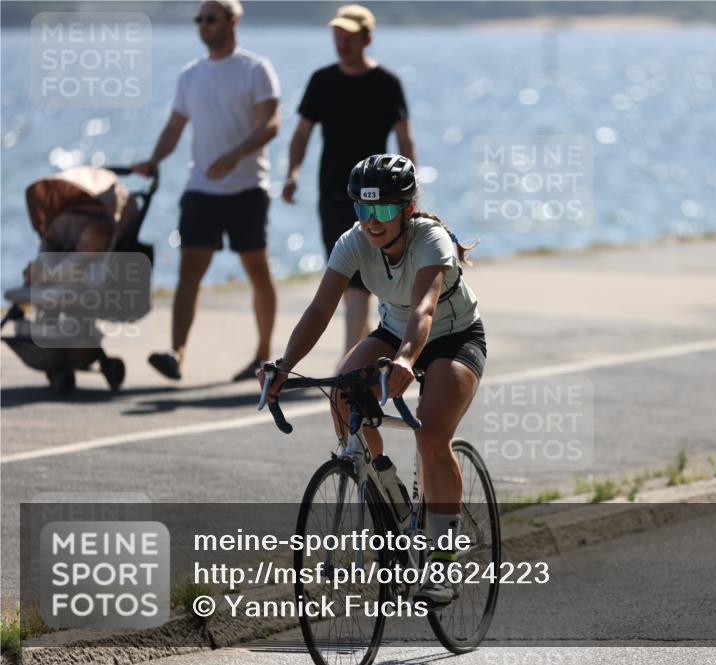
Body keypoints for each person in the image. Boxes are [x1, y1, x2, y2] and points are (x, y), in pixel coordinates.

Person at [263, 155, 483, 607]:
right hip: (392, 332)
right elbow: (320, 309)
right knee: (343, 394)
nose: (372, 221)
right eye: (363, 211)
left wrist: (406, 360)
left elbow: (423, 309)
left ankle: (441, 559)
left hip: (453, 337)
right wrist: (284, 365)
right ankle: (388, 492)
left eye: (383, 210)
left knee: (432, 433)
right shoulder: (353, 242)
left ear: (406, 209)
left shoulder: (431, 240)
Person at [134, 0, 280, 381]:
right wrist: (153, 160)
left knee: (257, 271)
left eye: (211, 18)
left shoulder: (255, 69)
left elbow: (271, 126)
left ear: (232, 22)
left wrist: (234, 156)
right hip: (201, 189)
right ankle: (176, 353)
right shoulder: (191, 75)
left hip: (247, 188)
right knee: (189, 271)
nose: (203, 25)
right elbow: (174, 127)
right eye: (199, 19)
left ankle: (263, 356)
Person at [282, 4, 415, 358]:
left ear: (367, 39)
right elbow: (302, 134)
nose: (342, 44)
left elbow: (405, 139)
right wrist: (293, 173)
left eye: (349, 38)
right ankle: (364, 353)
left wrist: (409, 193)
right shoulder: (322, 81)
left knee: (359, 281)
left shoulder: (387, 84)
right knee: (344, 276)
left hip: (380, 201)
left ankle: (350, 362)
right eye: (337, 37)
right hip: (334, 197)